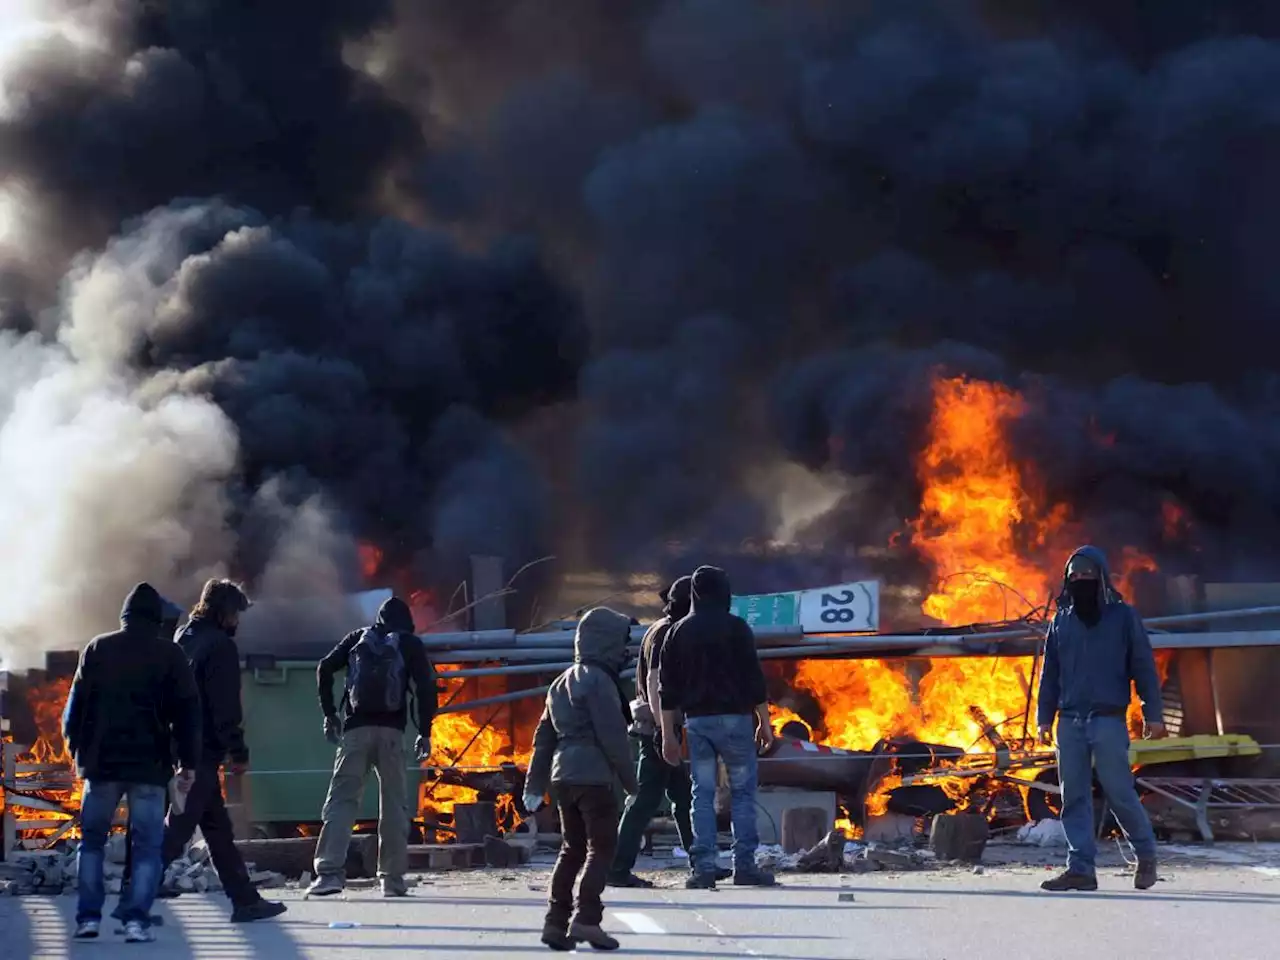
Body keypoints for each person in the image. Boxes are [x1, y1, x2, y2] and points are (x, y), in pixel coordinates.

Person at [62, 583, 202, 943]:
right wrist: (188, 762)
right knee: (146, 848)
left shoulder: (98, 647)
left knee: (91, 843)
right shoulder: (169, 655)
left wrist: (76, 751)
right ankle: (136, 921)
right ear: (156, 620)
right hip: (149, 769)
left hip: (101, 766)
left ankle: (88, 920)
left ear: (124, 616)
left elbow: (74, 709)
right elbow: (188, 712)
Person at [1037, 546, 1167, 892]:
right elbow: (1049, 673)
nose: (1080, 581)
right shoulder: (1061, 621)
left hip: (1108, 721)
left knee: (1120, 792)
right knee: (1073, 797)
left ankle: (1146, 854)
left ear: (1102, 577)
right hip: (1070, 721)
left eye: (1086, 575)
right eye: (1074, 576)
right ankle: (1080, 868)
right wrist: (1043, 718)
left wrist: (1154, 713)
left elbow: (1143, 668)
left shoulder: (1123, 618)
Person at [161, 579, 287, 922]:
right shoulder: (219, 647)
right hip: (201, 751)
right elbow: (224, 707)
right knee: (179, 827)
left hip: (181, 745)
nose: (237, 622)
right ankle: (135, 888)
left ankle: (244, 900)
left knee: (217, 830)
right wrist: (238, 751)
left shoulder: (184, 637)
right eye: (235, 614)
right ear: (222, 612)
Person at [525, 606, 638, 951]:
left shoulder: (560, 682)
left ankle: (554, 924)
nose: (624, 650)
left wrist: (533, 784)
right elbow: (613, 737)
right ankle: (588, 919)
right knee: (602, 847)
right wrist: (632, 784)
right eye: (620, 642)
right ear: (606, 642)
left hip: (563, 777)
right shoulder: (600, 681)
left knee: (571, 850)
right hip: (594, 776)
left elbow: (543, 737)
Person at [309, 596, 437, 898]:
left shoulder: (357, 639)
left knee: (342, 800)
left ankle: (329, 874)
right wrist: (425, 732)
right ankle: (391, 881)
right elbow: (426, 688)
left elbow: (324, 668)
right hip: (392, 734)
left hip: (355, 732)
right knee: (393, 805)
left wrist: (330, 713)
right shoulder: (409, 644)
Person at [659, 565, 775, 889]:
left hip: (697, 724)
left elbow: (666, 690)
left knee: (702, 795)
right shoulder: (738, 628)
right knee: (742, 794)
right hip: (737, 722)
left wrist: (668, 735)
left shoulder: (677, 632)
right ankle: (745, 866)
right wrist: (765, 724)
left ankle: (705, 867)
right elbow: (755, 681)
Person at [607, 576, 706, 889]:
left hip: (662, 727)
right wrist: (667, 734)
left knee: (680, 796)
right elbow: (655, 683)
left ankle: (701, 863)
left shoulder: (659, 628)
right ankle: (617, 868)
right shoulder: (665, 633)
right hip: (658, 729)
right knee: (645, 801)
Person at [115, 595, 185, 928]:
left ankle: (140, 886)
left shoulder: (141, 655)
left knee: (146, 827)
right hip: (147, 757)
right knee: (144, 827)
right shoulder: (160, 658)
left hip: (143, 755)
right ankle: (136, 890)